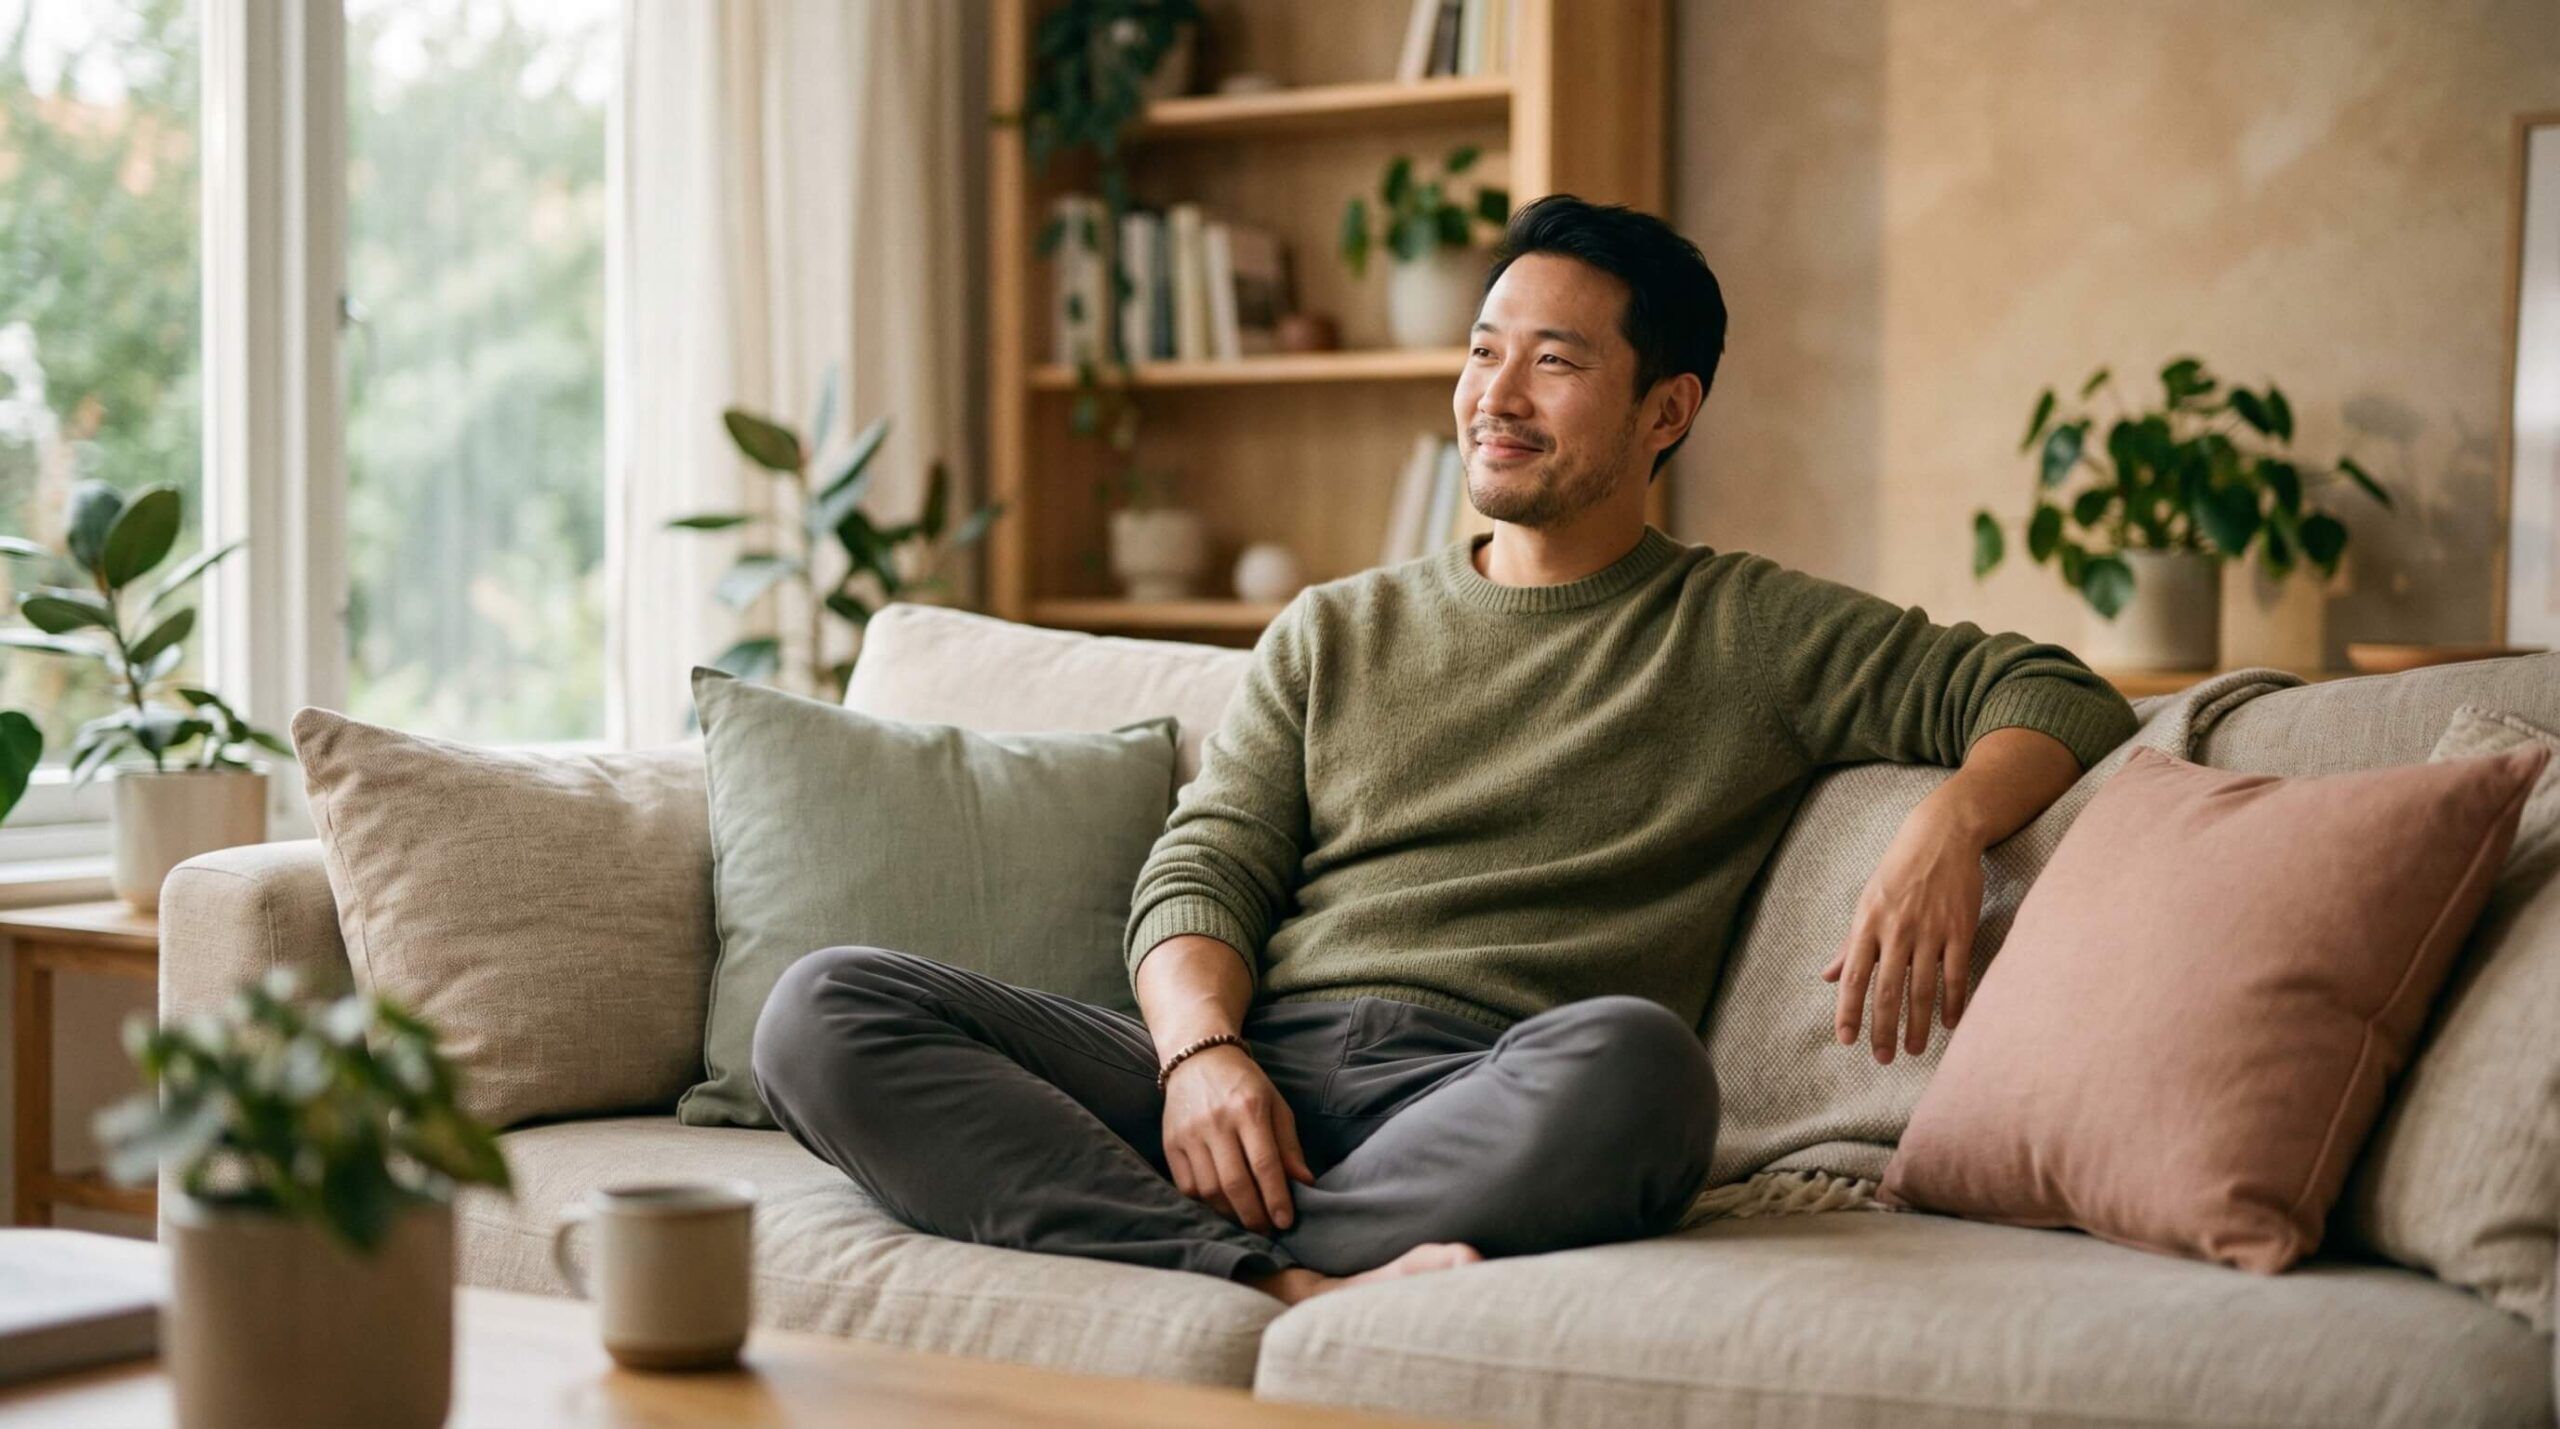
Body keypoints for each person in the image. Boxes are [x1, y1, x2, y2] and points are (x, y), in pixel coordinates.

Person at [751, 194, 2139, 1307]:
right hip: (1255, 1065)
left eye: (1556, 360)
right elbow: (1204, 870)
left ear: (1667, 410)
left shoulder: (1749, 628)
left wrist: (1948, 823)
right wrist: (1201, 1058)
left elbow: (2053, 691)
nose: (1497, 395)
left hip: (1489, 1086)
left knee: (1645, 1071)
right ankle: (1272, 1268)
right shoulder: (1334, 628)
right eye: (1484, 351)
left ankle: (1197, 1247)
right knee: (822, 1007)